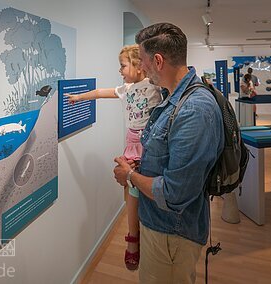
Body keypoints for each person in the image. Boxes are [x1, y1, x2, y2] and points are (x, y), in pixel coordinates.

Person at [113, 23, 224, 283]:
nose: (141, 67)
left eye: (142, 60)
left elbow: (176, 193)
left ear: (158, 61)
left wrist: (130, 176)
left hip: (171, 235)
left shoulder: (193, 110)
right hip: (163, 229)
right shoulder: (173, 97)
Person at [65, 44, 163, 271]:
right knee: (131, 189)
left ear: (139, 66)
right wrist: (78, 97)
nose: (119, 70)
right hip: (131, 143)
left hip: (150, 143)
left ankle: (146, 234)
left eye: (123, 65)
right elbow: (100, 92)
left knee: (146, 188)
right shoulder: (126, 89)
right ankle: (133, 237)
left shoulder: (153, 85)